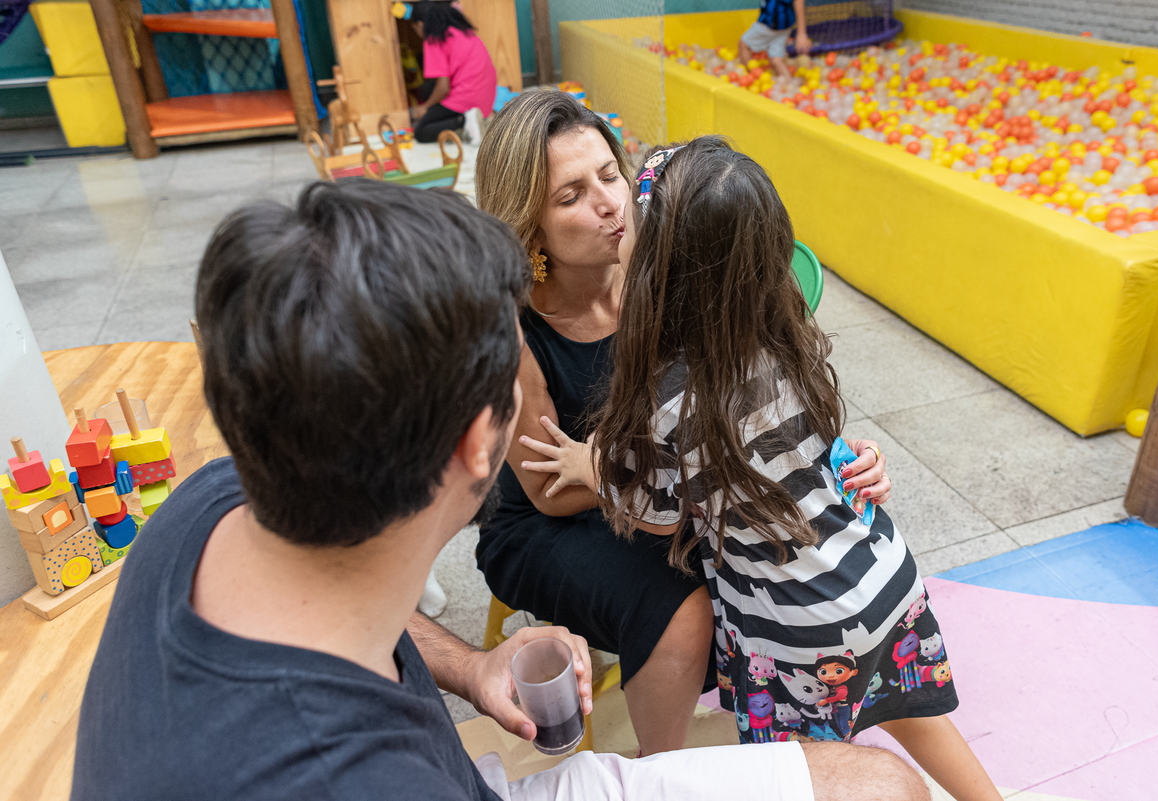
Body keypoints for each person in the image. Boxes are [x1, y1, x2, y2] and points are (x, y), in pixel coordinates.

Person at [70, 179, 930, 801]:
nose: (607, 207)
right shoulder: (356, 778)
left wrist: (468, 664)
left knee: (884, 783)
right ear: (481, 440)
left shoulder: (213, 499)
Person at [520, 137, 1003, 801]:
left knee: (804, 778)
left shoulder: (668, 399)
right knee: (918, 717)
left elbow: (657, 519)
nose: (614, 220)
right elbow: (808, 452)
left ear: (660, 266)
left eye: (629, 214)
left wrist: (591, 461)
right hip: (884, 580)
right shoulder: (786, 340)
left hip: (795, 630)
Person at [473, 89, 894, 757]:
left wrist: (838, 454)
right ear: (529, 225)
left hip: (657, 486)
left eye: (609, 175)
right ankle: (660, 768)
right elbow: (552, 487)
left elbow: (751, 389)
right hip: (553, 520)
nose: (609, 203)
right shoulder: (514, 328)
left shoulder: (654, 268)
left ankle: (803, 716)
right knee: (683, 602)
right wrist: (704, 480)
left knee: (799, 545)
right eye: (571, 195)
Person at [398, 0, 496, 143]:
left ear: (419, 25)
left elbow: (443, 87)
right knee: (435, 110)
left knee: (421, 131)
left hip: (467, 98)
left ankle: (464, 121)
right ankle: (474, 121)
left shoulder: (434, 38)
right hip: (486, 98)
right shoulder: (462, 31)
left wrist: (425, 107)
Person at [740, 0, 810, 78]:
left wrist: (801, 33)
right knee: (777, 60)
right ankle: (789, 83)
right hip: (784, 27)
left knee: (744, 43)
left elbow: (799, 3)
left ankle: (748, 76)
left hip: (768, 25)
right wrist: (801, 33)